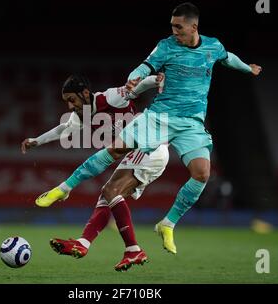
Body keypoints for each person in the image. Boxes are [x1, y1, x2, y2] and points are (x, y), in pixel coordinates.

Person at [36, 2, 263, 255]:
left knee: (201, 174)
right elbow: (146, 65)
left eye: (179, 26)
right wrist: (134, 76)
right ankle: (63, 189)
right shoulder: (166, 46)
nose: (174, 31)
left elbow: (227, 58)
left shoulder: (213, 46)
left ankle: (167, 224)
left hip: (192, 122)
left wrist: (248, 68)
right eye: (172, 26)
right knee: (116, 151)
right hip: (159, 117)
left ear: (193, 26)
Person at [22, 74, 169, 271]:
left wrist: (156, 79)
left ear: (84, 93)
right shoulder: (82, 113)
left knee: (111, 192)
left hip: (150, 146)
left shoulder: (110, 97)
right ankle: (84, 244)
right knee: (106, 195)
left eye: (72, 100)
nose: (70, 106)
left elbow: (138, 86)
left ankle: (133, 250)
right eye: (66, 102)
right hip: (134, 151)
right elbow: (63, 129)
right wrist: (36, 141)